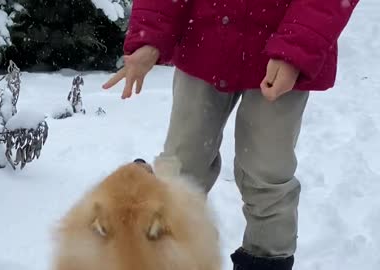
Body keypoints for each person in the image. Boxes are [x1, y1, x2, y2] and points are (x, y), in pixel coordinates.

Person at [102, 0, 359, 269]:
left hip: (283, 53)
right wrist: (150, 34)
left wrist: (296, 49)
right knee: (181, 168)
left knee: (267, 177)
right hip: (206, 41)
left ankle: (265, 261)